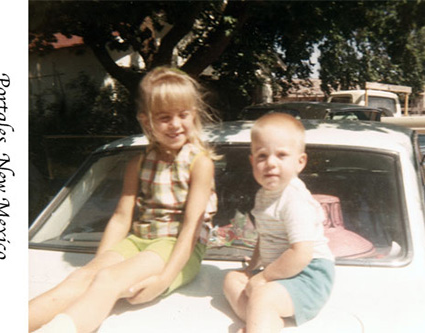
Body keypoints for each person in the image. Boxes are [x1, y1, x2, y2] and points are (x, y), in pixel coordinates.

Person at [29, 67, 218, 333]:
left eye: (183, 115)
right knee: (82, 275)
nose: (175, 124)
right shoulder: (138, 163)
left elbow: (191, 227)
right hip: (138, 241)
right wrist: (98, 262)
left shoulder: (200, 163)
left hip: (177, 247)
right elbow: (120, 218)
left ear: (193, 115)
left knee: (108, 279)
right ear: (147, 121)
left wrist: (164, 280)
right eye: (165, 117)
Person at [223, 112, 335, 333]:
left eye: (281, 155)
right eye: (262, 156)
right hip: (280, 273)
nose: (270, 163)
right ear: (252, 161)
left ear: (300, 162)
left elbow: (301, 253)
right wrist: (253, 268)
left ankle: (260, 320)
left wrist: (263, 277)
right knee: (232, 279)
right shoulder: (264, 195)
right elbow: (265, 236)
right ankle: (266, 321)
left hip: (309, 276)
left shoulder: (294, 199)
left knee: (262, 295)